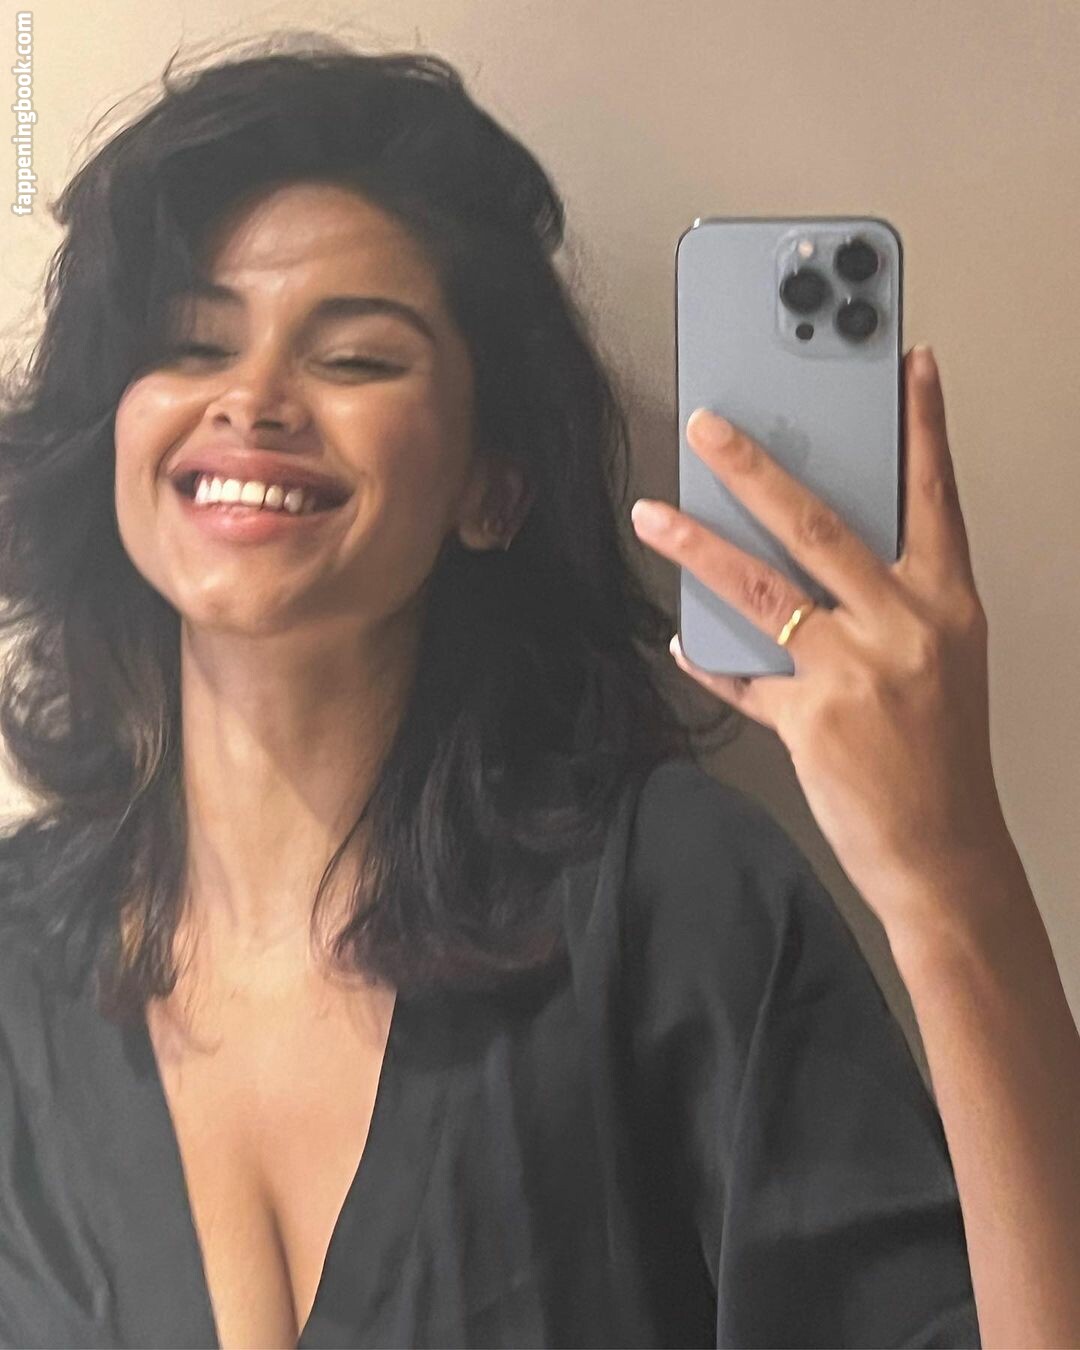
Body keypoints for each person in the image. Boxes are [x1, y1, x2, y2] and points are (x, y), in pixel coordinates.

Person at [0, 32, 987, 1349]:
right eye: (190, 344)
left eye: (357, 358)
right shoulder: (16, 957)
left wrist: (951, 873)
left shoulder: (668, 900)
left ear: (492, 487)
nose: (253, 399)